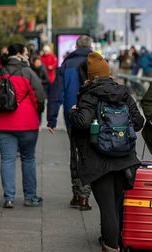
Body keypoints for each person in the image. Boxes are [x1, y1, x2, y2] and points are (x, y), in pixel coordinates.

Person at [69, 52, 144, 252]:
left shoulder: (90, 94)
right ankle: (113, 244)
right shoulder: (123, 93)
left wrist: (73, 113)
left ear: (91, 75)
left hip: (98, 158)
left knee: (107, 207)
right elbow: (139, 122)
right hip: (124, 157)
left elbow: (82, 122)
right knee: (116, 204)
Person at [0, 43, 46, 208]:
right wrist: (38, 113)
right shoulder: (28, 73)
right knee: (28, 159)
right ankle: (30, 197)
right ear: (19, 55)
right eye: (26, 54)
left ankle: (9, 198)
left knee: (7, 159)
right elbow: (39, 96)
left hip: (1, 125)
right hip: (26, 124)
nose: (28, 57)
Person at [47, 35, 93, 210]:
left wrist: (51, 120)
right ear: (90, 46)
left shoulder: (66, 65)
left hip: (71, 116)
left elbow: (56, 93)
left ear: (76, 46)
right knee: (88, 153)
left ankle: (76, 193)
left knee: (75, 151)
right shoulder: (96, 62)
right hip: (93, 116)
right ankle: (85, 196)